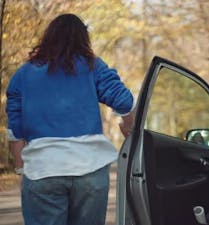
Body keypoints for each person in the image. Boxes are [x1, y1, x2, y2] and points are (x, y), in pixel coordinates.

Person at [5, 14, 134, 225]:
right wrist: (128, 128)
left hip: (43, 171)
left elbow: (15, 131)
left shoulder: (23, 74)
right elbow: (125, 102)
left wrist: (22, 169)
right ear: (83, 39)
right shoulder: (93, 66)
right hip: (90, 170)